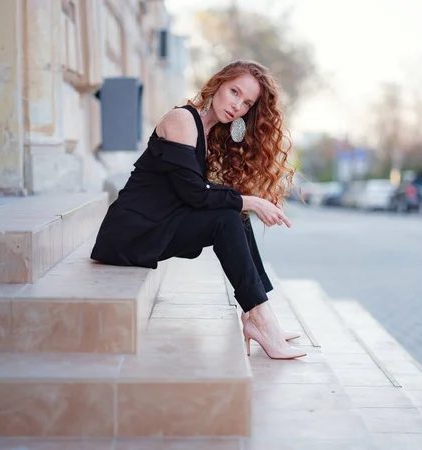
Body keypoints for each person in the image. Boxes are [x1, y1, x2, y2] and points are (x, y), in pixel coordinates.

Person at [91, 60, 306, 360]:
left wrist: (244, 202)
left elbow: (201, 195)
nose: (237, 106)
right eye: (234, 92)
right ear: (217, 83)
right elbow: (194, 194)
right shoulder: (181, 120)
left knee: (234, 214)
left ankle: (257, 313)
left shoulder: (206, 132)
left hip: (156, 225)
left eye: (246, 103)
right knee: (230, 214)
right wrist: (252, 201)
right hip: (128, 234)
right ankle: (260, 317)